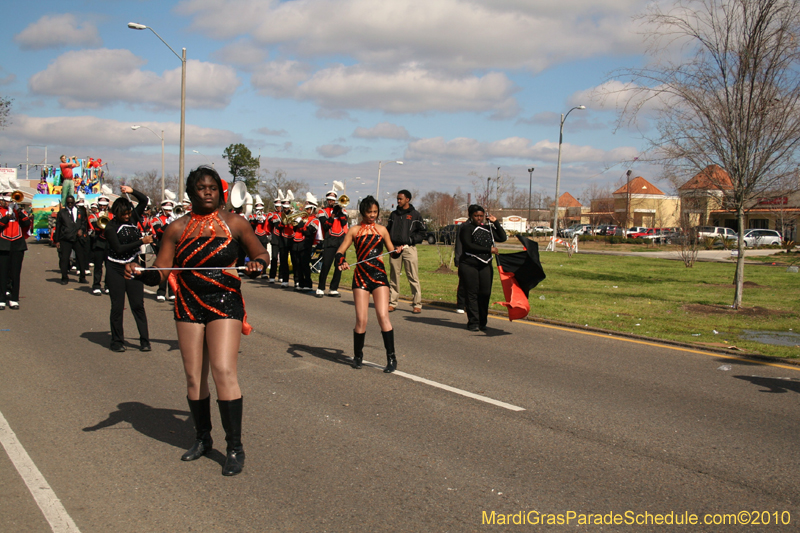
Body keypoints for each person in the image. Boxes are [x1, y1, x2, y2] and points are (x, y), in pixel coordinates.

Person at [127, 165, 269, 477]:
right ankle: (203, 438)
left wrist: (258, 263)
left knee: (223, 370)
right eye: (201, 187)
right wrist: (140, 273)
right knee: (194, 377)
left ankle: (234, 447)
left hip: (224, 301)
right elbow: (162, 271)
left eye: (212, 188)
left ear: (221, 192)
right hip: (188, 303)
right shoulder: (176, 228)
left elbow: (260, 253)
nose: (207, 192)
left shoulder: (235, 222)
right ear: (191, 192)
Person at [336, 196, 404, 373]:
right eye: (369, 212)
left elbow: (392, 252)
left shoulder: (382, 230)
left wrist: (397, 251)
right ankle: (358, 356)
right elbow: (340, 251)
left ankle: (391, 358)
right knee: (362, 319)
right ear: (362, 212)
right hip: (360, 277)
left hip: (379, 276)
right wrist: (341, 261)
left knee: (383, 316)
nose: (372, 215)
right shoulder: (354, 230)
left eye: (375, 212)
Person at [105, 186, 153, 352]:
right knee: (118, 306)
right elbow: (118, 248)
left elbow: (144, 201)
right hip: (115, 268)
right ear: (116, 213)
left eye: (128, 213)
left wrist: (131, 190)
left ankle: (145, 340)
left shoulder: (132, 218)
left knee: (138, 305)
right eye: (123, 214)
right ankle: (117, 341)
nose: (127, 217)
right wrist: (142, 241)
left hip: (133, 267)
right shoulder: (110, 228)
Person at [457, 205, 507, 332]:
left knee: (485, 293)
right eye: (476, 216)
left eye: (481, 216)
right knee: (472, 293)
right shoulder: (466, 228)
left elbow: (502, 237)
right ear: (470, 216)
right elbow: (468, 246)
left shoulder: (487, 228)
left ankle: (483, 321)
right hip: (469, 264)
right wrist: (488, 249)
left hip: (485, 264)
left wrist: (496, 223)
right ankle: (473, 322)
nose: (479, 218)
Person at [386, 189, 426, 313]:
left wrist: (410, 240)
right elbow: (388, 231)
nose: (398, 201)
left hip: (409, 249)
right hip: (394, 249)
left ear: (407, 199)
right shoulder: (393, 215)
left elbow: (422, 232)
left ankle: (417, 304)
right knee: (394, 277)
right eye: (397, 198)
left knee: (413, 276)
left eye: (400, 199)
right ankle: (392, 302)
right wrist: (390, 246)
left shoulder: (415, 215)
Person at [0, 189, 32, 310]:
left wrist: (18, 210)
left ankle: (14, 298)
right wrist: (7, 217)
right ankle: (1, 299)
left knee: (15, 273)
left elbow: (27, 223)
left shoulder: (19, 212)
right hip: (3, 245)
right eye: (6, 200)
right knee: (2, 273)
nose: (8, 203)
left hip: (17, 245)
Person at [316, 189, 348, 298]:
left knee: (339, 265)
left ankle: (333, 288)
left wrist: (339, 211)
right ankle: (320, 288)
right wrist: (333, 214)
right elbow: (326, 225)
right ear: (327, 200)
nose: (331, 202)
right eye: (329, 200)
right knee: (326, 265)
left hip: (341, 241)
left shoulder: (343, 211)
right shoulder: (322, 211)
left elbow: (344, 222)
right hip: (329, 240)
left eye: (333, 200)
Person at [54, 194, 89, 285]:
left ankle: (82, 277)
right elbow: (58, 226)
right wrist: (57, 240)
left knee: (81, 258)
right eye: (68, 202)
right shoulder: (62, 213)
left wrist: (81, 230)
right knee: (64, 259)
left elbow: (84, 223)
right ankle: (64, 277)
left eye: (71, 202)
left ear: (74, 202)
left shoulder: (80, 211)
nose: (70, 204)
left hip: (77, 239)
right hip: (66, 238)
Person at [88, 195, 112, 295]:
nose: (103, 207)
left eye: (104, 205)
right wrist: (100, 219)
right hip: (98, 243)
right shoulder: (93, 216)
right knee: (98, 266)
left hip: (109, 244)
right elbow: (93, 227)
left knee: (109, 266)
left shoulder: (111, 216)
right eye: (101, 205)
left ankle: (107, 286)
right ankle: (96, 285)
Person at [266, 195, 282, 282]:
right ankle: (272, 276)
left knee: (283, 258)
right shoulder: (272, 214)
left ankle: (281, 276)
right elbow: (271, 221)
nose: (279, 207)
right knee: (274, 258)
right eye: (277, 206)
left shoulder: (284, 214)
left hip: (283, 238)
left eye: (280, 206)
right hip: (275, 238)